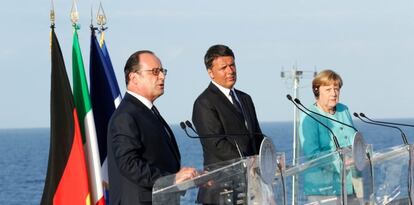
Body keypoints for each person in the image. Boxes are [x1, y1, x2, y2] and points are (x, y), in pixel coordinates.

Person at [107, 50, 197, 205]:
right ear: (133, 77)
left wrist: (190, 178)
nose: (162, 76)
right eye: (155, 72)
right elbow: (129, 165)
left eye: (162, 71)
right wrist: (172, 179)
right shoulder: (126, 115)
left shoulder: (147, 111)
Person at [192, 44, 264, 204]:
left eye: (232, 65)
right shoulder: (204, 103)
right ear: (210, 73)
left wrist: (268, 157)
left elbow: (256, 135)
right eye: (223, 67)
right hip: (220, 191)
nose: (230, 71)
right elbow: (216, 144)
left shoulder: (245, 98)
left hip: (249, 189)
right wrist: (249, 163)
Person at [299, 69, 359, 204]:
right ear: (317, 91)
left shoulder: (344, 110)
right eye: (328, 89)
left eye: (336, 88)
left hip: (351, 185)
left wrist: (361, 154)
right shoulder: (309, 116)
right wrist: (342, 163)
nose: (334, 93)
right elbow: (312, 154)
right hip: (323, 190)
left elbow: (354, 139)